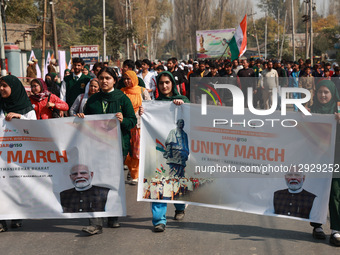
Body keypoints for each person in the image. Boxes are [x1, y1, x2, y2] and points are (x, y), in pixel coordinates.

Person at [77, 66, 137, 235]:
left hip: (117, 147)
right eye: (101, 78)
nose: (104, 81)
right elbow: (87, 123)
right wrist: (81, 118)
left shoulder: (122, 99)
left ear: (114, 80)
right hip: (95, 147)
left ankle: (113, 215)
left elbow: (132, 121)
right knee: (94, 181)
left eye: (107, 78)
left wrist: (123, 120)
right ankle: (95, 222)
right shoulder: (93, 100)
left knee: (113, 181)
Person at [140, 71, 190, 233]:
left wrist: (182, 106)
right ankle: (159, 220)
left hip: (180, 157)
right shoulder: (154, 105)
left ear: (172, 84)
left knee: (177, 183)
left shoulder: (183, 101)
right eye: (161, 83)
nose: (164, 86)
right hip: (161, 155)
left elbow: (192, 120)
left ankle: (180, 207)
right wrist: (143, 113)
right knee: (158, 184)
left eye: (167, 82)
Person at [0, 75, 37, 232]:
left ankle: (16, 216)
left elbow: (36, 130)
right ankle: (2, 220)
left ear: (14, 88)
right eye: (0, 85)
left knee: (15, 185)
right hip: (2, 155)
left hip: (19, 156)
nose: (1, 88)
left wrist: (19, 117)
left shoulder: (27, 108)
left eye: (4, 86)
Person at [308, 80, 340, 245]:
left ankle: (336, 229)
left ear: (333, 93)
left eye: (326, 92)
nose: (323, 95)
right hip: (317, 158)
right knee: (318, 191)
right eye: (320, 92)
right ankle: (317, 226)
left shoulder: (338, 111)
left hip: (336, 158)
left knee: (335, 193)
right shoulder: (311, 111)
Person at [121, 70, 151, 185]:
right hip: (125, 126)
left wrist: (145, 111)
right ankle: (133, 171)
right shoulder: (122, 92)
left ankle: (135, 175)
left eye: (128, 78)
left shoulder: (142, 91)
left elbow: (150, 106)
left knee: (136, 152)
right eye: (124, 79)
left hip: (139, 126)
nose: (126, 81)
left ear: (134, 78)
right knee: (126, 153)